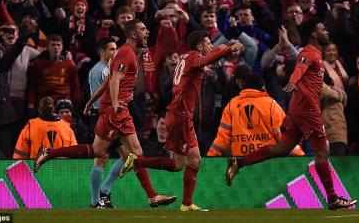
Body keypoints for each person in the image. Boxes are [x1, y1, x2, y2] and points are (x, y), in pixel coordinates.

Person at [34, 20, 176, 209]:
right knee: (134, 153)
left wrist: (90, 102)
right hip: (116, 111)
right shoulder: (126, 54)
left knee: (100, 151)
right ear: (133, 34)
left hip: (113, 110)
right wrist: (117, 104)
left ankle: (49, 154)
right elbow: (115, 80)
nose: (147, 31)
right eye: (143, 29)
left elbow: (108, 81)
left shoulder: (121, 54)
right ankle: (150, 195)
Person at [225, 20, 358, 210]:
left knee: (281, 148)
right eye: (322, 28)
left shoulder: (316, 54)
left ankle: (239, 161)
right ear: (313, 33)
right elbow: (299, 69)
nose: (326, 31)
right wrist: (293, 81)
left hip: (299, 110)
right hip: (307, 111)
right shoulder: (308, 52)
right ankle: (332, 198)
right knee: (321, 152)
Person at [119, 29, 243, 212]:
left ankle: (186, 203)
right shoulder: (194, 57)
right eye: (209, 43)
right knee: (193, 160)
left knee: (183, 163)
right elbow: (206, 59)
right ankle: (138, 163)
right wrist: (228, 49)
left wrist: (221, 49)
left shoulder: (186, 58)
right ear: (200, 47)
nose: (211, 46)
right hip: (181, 116)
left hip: (178, 114)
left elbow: (206, 61)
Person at [207, 72, 303, 157]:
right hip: (267, 164)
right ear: (262, 87)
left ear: (245, 87)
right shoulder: (271, 105)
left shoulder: (232, 105)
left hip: (241, 165)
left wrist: (209, 159)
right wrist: (300, 156)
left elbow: (222, 139)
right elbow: (283, 136)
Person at [84, 37, 126, 209]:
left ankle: (104, 190)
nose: (115, 52)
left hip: (110, 117)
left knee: (129, 156)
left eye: (116, 49)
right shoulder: (98, 71)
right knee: (101, 159)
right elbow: (99, 99)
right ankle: (96, 201)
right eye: (112, 49)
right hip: (102, 117)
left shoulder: (110, 69)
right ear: (102, 51)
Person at [13, 96, 77, 159]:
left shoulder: (31, 125)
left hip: (38, 167)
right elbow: (74, 152)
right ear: (53, 109)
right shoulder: (66, 126)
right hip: (62, 167)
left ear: (39, 110)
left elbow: (20, 154)